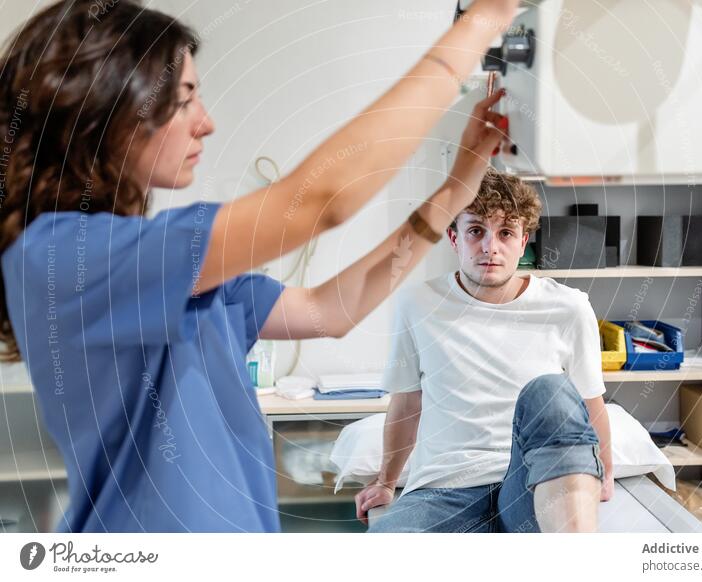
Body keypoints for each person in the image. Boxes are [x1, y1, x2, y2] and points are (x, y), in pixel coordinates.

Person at [0, 0, 521, 532]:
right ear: (106, 111)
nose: (206, 123)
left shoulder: (171, 273)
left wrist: (457, 187)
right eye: (183, 101)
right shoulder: (62, 256)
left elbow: (329, 311)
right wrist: (481, 21)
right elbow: (320, 199)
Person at [355, 169, 614, 533]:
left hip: (532, 486)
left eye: (506, 232)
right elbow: (407, 403)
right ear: (453, 238)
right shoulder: (417, 304)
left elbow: (590, 402)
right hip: (444, 491)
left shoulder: (569, 308)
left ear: (523, 242)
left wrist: (604, 473)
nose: (490, 247)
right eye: (476, 230)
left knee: (549, 390)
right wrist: (385, 481)